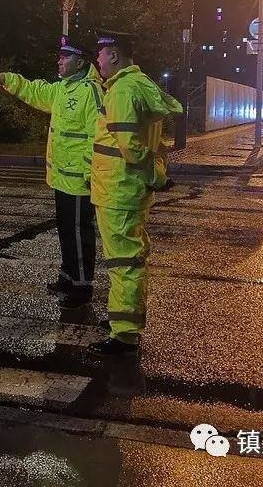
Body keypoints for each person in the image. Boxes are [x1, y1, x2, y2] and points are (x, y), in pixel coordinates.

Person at [0, 35, 103, 309]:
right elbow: (34, 90)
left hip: (80, 181)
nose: (59, 61)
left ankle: (82, 286)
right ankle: (67, 276)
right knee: (66, 231)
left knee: (78, 233)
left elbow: (97, 138)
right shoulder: (62, 89)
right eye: (59, 56)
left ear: (80, 61)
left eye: (65, 57)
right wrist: (6, 78)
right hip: (62, 178)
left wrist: (89, 173)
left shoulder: (91, 91)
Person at [88, 30, 182, 357]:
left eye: (100, 54)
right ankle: (122, 320)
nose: (97, 60)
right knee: (127, 258)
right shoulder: (140, 84)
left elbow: (130, 147)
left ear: (113, 54)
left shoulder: (122, 91)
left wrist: (155, 176)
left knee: (124, 262)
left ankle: (125, 334)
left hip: (119, 189)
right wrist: (156, 176)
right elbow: (158, 131)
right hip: (125, 189)